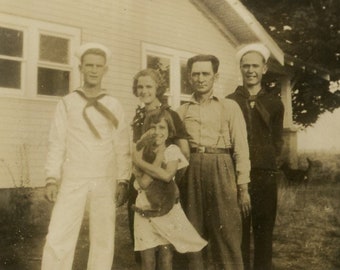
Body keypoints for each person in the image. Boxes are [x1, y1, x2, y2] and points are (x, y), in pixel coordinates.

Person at [41, 43, 131, 270]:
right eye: (89, 65)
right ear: (80, 68)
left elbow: (122, 145)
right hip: (74, 176)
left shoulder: (113, 104)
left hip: (104, 178)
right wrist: (52, 177)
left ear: (105, 70)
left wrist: (123, 179)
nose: (93, 70)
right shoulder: (68, 103)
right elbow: (57, 142)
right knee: (59, 232)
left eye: (98, 66)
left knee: (103, 236)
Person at [177, 54, 251, 270]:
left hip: (222, 167)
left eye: (205, 74)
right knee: (192, 231)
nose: (200, 79)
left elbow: (241, 148)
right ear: (189, 78)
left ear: (215, 76)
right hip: (190, 169)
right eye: (195, 74)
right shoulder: (181, 111)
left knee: (227, 231)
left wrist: (243, 187)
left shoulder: (230, 107)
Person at [227, 43, 284, 270]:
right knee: (237, 231)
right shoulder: (229, 101)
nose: (250, 70)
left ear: (264, 69)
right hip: (236, 174)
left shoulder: (275, 103)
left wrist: (267, 163)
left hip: (264, 175)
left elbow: (277, 140)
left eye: (254, 66)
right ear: (240, 68)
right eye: (245, 66)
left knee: (263, 231)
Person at [132, 109, 207, 270]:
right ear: (146, 130)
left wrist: (138, 162)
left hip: (166, 210)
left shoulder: (172, 151)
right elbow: (144, 183)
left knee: (166, 257)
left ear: (169, 131)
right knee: (147, 259)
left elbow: (166, 176)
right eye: (153, 127)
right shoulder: (142, 151)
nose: (157, 132)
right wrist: (143, 164)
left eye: (162, 128)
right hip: (143, 208)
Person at [128, 69, 190, 250]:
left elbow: (184, 152)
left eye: (149, 86)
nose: (144, 91)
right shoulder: (139, 117)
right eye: (140, 87)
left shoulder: (170, 115)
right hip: (141, 181)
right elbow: (137, 149)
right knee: (143, 239)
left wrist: (170, 178)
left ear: (158, 88)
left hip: (163, 183)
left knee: (165, 243)